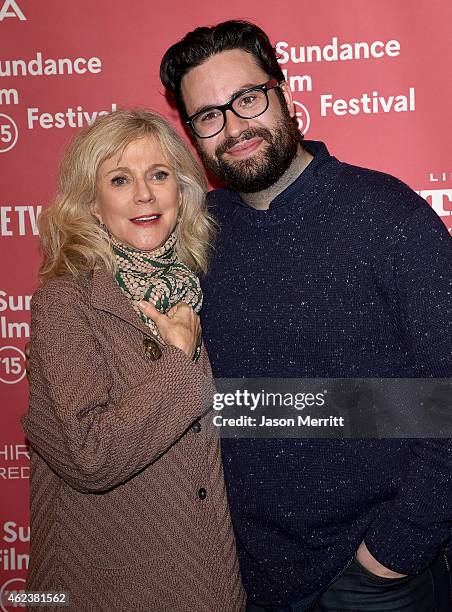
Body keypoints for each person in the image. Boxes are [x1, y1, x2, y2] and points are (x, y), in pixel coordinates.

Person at [160, 20, 452, 612]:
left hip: (376, 579)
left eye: (247, 98)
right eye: (208, 116)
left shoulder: (386, 215)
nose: (234, 127)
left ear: (285, 95)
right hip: (248, 577)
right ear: (194, 136)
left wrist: (392, 554)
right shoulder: (193, 236)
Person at [22, 109, 246, 612]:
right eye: (120, 180)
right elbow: (89, 457)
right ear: (93, 206)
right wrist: (178, 360)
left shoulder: (195, 290)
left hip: (205, 578)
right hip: (108, 587)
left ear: (182, 193)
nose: (144, 194)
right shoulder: (66, 304)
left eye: (159, 175)